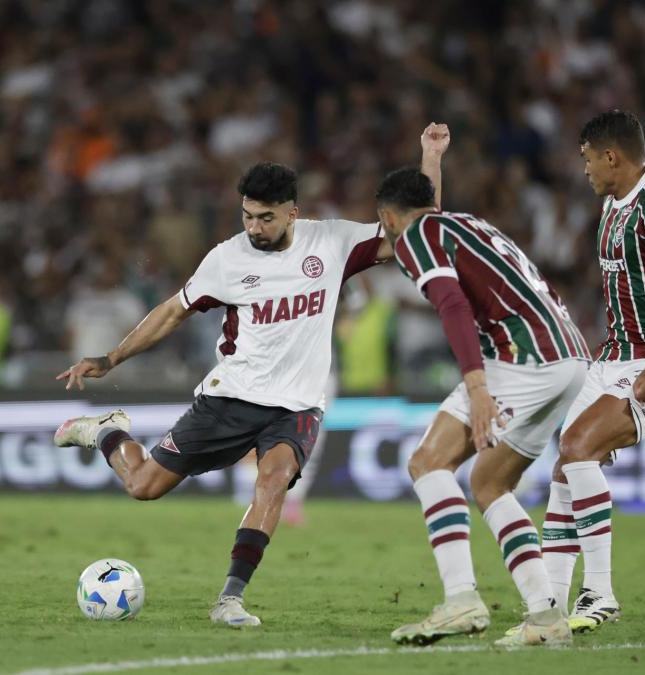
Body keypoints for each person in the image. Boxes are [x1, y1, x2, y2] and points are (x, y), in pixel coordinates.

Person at [53, 132, 445, 628]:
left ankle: (229, 599)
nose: (255, 227)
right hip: (230, 398)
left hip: (298, 404)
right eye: (247, 215)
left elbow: (421, 231)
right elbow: (172, 312)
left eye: (266, 217)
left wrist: (430, 158)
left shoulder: (333, 242)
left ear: (292, 213)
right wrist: (111, 358)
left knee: (274, 478)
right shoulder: (227, 259)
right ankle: (106, 430)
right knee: (144, 486)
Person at [377, 155, 590, 646]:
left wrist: (476, 389)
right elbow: (431, 208)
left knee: (428, 461)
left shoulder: (412, 238)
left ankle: (460, 600)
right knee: (490, 482)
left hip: (522, 358)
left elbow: (450, 303)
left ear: (388, 218)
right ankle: (545, 617)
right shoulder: (463, 223)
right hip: (570, 357)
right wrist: (432, 160)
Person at [542, 110, 645, 632]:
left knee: (576, 449)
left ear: (612, 156)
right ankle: (546, 609)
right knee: (565, 467)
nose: (585, 169)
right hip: (615, 356)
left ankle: (601, 593)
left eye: (589, 159)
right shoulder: (613, 205)